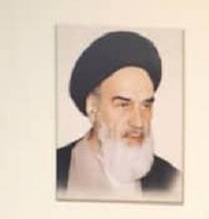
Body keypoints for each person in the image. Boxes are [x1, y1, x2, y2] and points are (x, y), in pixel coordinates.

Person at [57, 30, 180, 200]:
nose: (138, 122)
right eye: (123, 105)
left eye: (146, 105)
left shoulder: (171, 180)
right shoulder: (54, 169)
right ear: (93, 107)